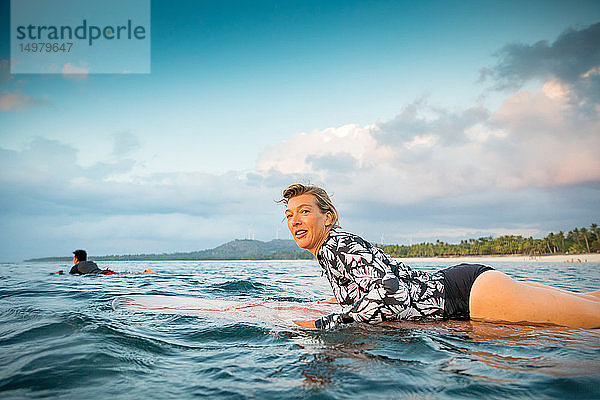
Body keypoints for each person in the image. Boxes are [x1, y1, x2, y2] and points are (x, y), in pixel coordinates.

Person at [279, 183, 600, 329]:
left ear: (329, 217)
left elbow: (388, 292)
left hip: (466, 295)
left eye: (304, 211)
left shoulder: (339, 245)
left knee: (593, 319)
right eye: (290, 215)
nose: (295, 220)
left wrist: (324, 323)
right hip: (465, 288)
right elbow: (380, 288)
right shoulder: (330, 252)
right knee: (592, 301)